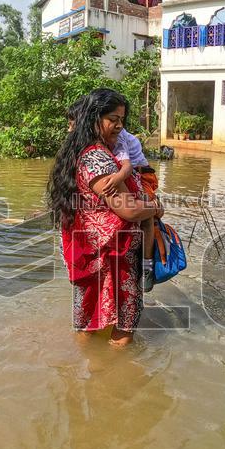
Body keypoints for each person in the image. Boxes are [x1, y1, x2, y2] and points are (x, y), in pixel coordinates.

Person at [48, 89, 163, 346]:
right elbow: (129, 210)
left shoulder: (89, 153)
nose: (119, 126)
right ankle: (116, 382)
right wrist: (155, 208)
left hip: (96, 254)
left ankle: (90, 377)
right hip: (112, 257)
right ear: (93, 119)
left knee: (88, 322)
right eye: (113, 118)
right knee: (123, 328)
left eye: (122, 119)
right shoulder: (97, 158)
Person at [99, 128, 158, 291]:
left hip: (143, 176)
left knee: (146, 216)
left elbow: (127, 166)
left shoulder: (119, 137)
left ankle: (147, 267)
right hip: (133, 175)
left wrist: (116, 178)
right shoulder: (101, 140)